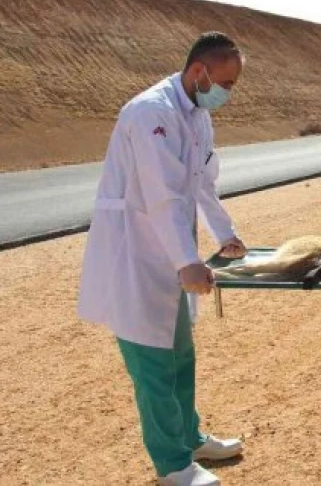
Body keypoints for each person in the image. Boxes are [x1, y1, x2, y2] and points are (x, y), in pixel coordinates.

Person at [77, 32, 250, 486]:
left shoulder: (195, 115)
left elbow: (201, 184)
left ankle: (189, 438)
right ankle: (172, 465)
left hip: (171, 247)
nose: (227, 93)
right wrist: (185, 261)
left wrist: (225, 233)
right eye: (225, 83)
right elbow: (161, 195)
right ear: (199, 72)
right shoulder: (152, 112)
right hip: (134, 249)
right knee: (152, 364)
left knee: (179, 354)